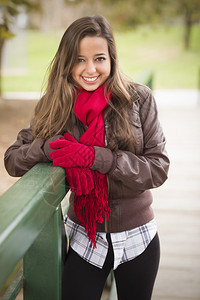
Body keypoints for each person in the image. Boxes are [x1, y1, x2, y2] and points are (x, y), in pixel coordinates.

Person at [4, 15, 170, 300]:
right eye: (79, 59)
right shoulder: (54, 105)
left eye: (99, 58)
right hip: (84, 237)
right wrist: (48, 147)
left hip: (138, 236)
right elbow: (13, 160)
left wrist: (96, 157)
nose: (90, 69)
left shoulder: (139, 100)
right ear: (66, 62)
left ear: (112, 60)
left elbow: (158, 168)